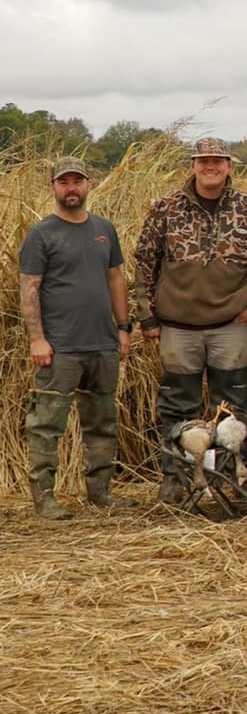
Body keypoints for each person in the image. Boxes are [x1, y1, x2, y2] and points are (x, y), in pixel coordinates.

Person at [133, 136, 247, 503]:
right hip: (178, 327)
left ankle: (231, 477)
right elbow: (145, 262)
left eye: (217, 161)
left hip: (230, 325)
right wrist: (147, 317)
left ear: (229, 166)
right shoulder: (166, 208)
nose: (210, 167)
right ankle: (177, 479)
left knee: (234, 408)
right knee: (177, 407)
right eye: (203, 160)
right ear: (193, 165)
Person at [19, 156, 132, 518]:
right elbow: (30, 288)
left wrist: (123, 326)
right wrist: (37, 339)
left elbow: (115, 278)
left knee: (102, 422)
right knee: (47, 424)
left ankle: (100, 492)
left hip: (102, 344)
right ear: (53, 187)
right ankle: (45, 499)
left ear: (89, 184)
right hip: (60, 348)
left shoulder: (104, 229)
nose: (71, 188)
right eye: (64, 182)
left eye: (77, 181)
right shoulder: (41, 234)